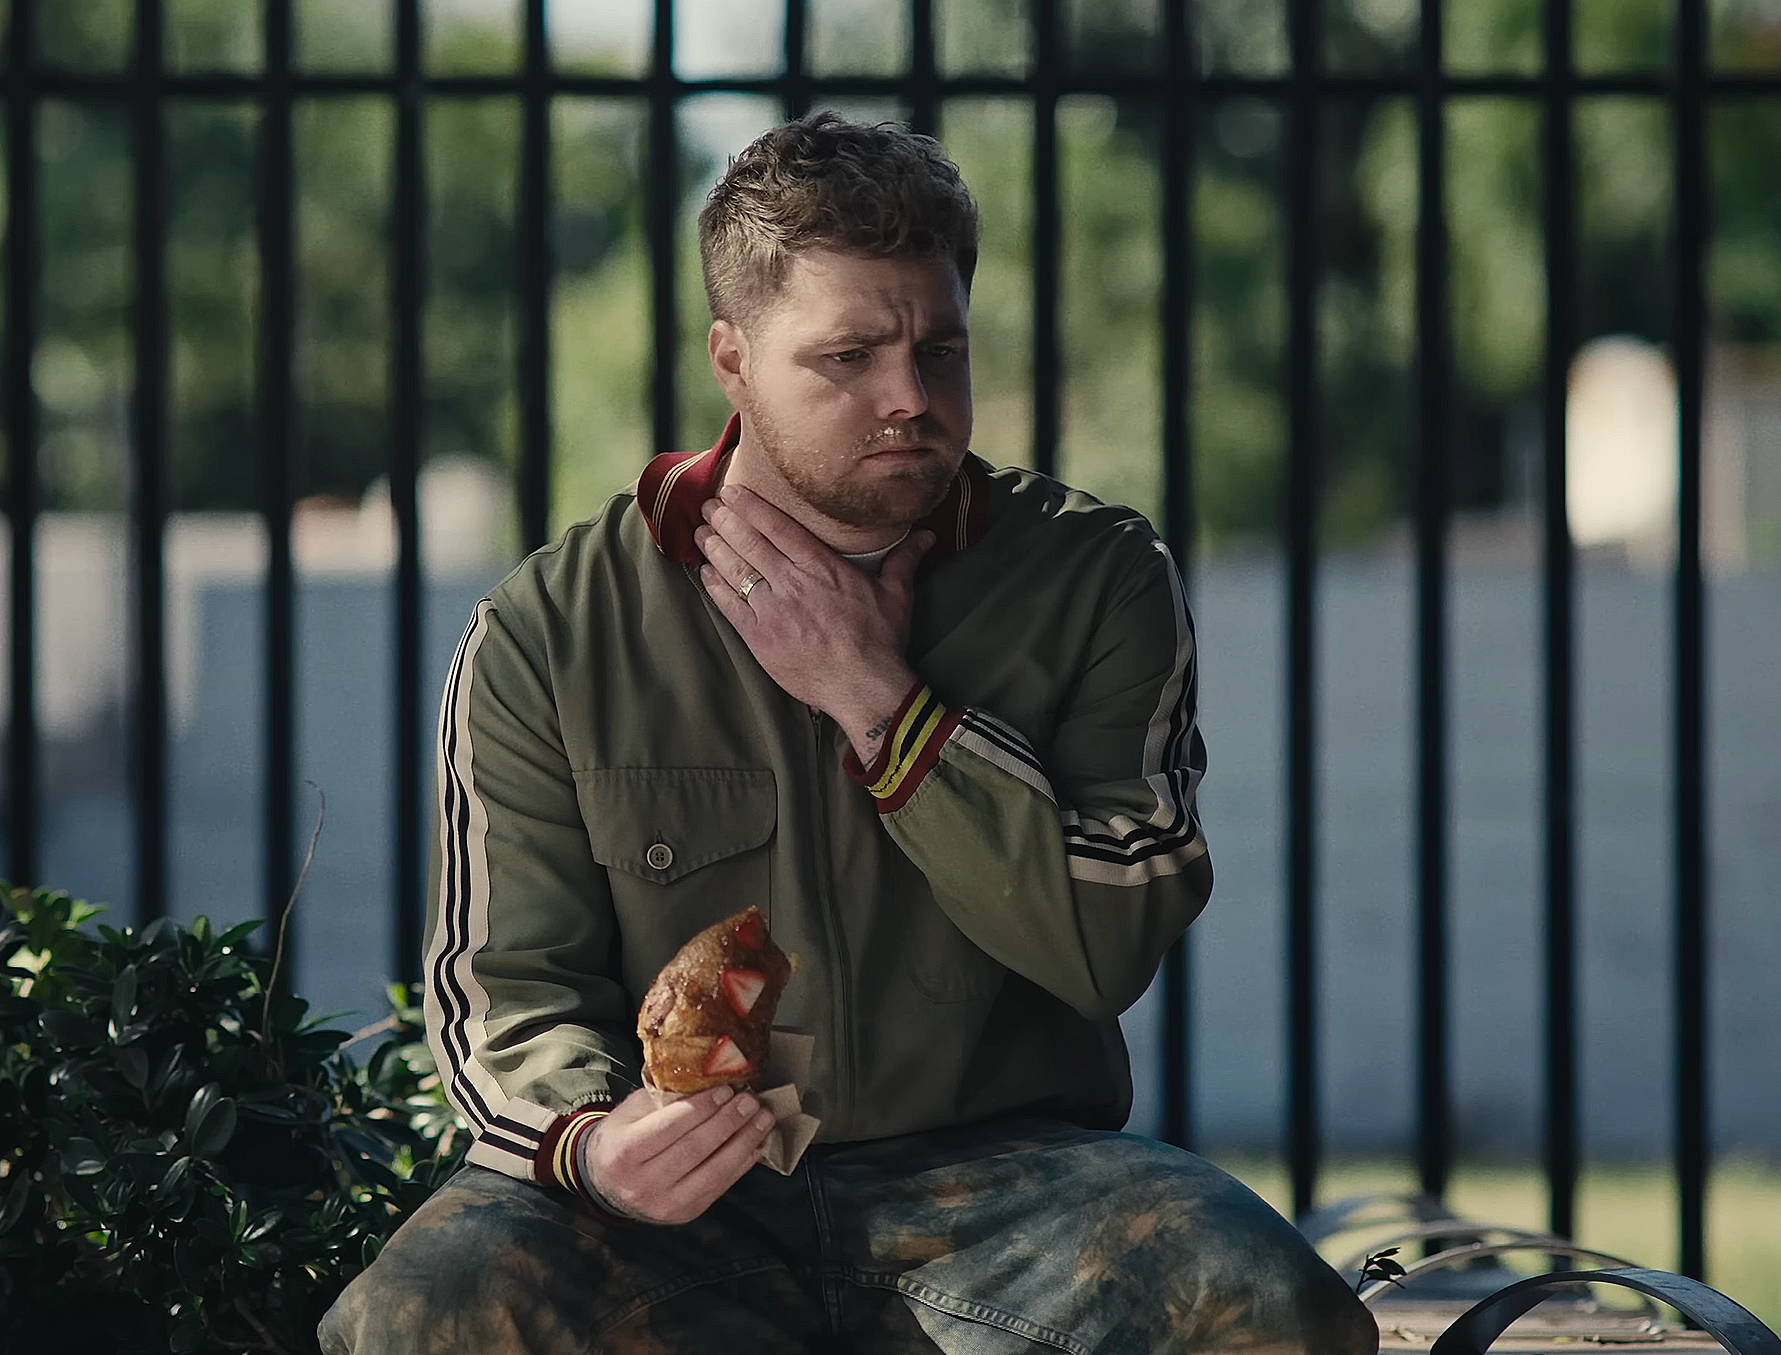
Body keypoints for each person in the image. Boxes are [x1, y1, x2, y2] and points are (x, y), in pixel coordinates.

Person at [322, 113, 1375, 1355]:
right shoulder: (551, 626)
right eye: (849, 357)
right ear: (733, 360)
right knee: (419, 1314)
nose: (910, 397)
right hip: (684, 1204)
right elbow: (505, 986)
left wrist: (881, 700)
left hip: (1013, 1184)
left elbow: (1105, 943)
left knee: (1269, 1304)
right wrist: (594, 1142)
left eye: (941, 349)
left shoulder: (1096, 577)